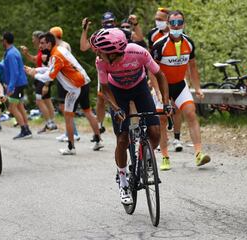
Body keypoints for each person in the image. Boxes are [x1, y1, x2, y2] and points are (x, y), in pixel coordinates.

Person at [90, 28, 170, 205]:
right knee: (123, 139)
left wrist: (165, 102)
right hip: (117, 92)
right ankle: (123, 180)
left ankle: (146, 157)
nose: (98, 53)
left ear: (113, 53)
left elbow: (160, 75)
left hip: (139, 87)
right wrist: (117, 108)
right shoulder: (101, 62)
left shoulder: (138, 52)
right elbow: (105, 89)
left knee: (155, 132)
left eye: (101, 51)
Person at [151, 10, 211, 170]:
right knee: (162, 120)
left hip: (179, 85)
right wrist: (157, 91)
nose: (176, 26)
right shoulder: (159, 45)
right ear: (169, 24)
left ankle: (199, 154)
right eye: (173, 23)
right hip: (162, 87)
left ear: (184, 24)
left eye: (179, 23)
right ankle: (164, 156)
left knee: (191, 112)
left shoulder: (189, 43)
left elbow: (192, 66)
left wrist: (197, 88)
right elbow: (151, 70)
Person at [25, 32, 103, 155]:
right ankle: (98, 140)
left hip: (75, 88)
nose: (39, 46)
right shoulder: (58, 51)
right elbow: (50, 69)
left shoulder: (56, 55)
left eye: (42, 43)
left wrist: (34, 74)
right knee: (87, 112)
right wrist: (36, 69)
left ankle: (71, 147)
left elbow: (50, 76)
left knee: (68, 116)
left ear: (49, 44)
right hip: (84, 82)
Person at [147, 7, 184, 152]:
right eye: (157, 19)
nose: (158, 22)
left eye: (161, 19)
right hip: (158, 75)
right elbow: (149, 57)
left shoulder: (179, 33)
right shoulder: (152, 34)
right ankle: (163, 140)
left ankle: (177, 138)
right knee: (160, 111)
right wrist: (152, 77)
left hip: (175, 75)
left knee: (176, 107)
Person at [20, 30, 58, 134]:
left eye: (33, 38)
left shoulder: (46, 52)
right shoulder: (41, 51)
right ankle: (51, 124)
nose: (32, 40)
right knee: (47, 100)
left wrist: (46, 84)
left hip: (44, 78)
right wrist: (26, 54)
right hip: (42, 76)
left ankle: (49, 123)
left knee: (39, 100)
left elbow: (48, 68)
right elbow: (34, 60)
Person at [49, 26, 81, 142]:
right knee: (64, 107)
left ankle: (74, 133)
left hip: (67, 79)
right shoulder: (60, 45)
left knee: (67, 107)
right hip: (63, 79)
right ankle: (69, 132)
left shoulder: (63, 46)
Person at [1, 32, 32, 139]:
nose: (1, 42)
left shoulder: (11, 54)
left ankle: (24, 130)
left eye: (2, 40)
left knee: (12, 108)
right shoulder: (12, 52)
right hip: (19, 83)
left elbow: (15, 72)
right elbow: (4, 66)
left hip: (17, 85)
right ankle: (27, 129)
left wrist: (10, 87)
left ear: (5, 41)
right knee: (20, 106)